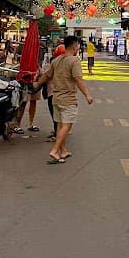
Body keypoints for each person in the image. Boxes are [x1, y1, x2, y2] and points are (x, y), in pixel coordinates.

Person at [33, 35, 93, 164]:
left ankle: (63, 150)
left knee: (60, 125)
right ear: (74, 47)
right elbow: (78, 79)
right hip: (68, 98)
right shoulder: (74, 61)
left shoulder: (56, 60)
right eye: (77, 46)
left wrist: (37, 84)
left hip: (56, 98)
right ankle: (55, 150)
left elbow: (47, 75)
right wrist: (87, 94)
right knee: (67, 125)